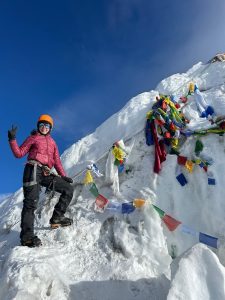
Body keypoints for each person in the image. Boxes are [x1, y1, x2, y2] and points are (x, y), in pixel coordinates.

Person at [8, 114, 74, 247]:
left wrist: (63, 175)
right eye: (42, 125)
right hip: (33, 169)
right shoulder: (33, 138)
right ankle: (27, 237)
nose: (44, 127)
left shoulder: (53, 143)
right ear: (38, 126)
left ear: (50, 128)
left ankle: (57, 218)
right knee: (31, 203)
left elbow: (57, 161)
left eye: (47, 125)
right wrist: (12, 139)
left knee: (68, 188)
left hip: (46, 172)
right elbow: (19, 153)